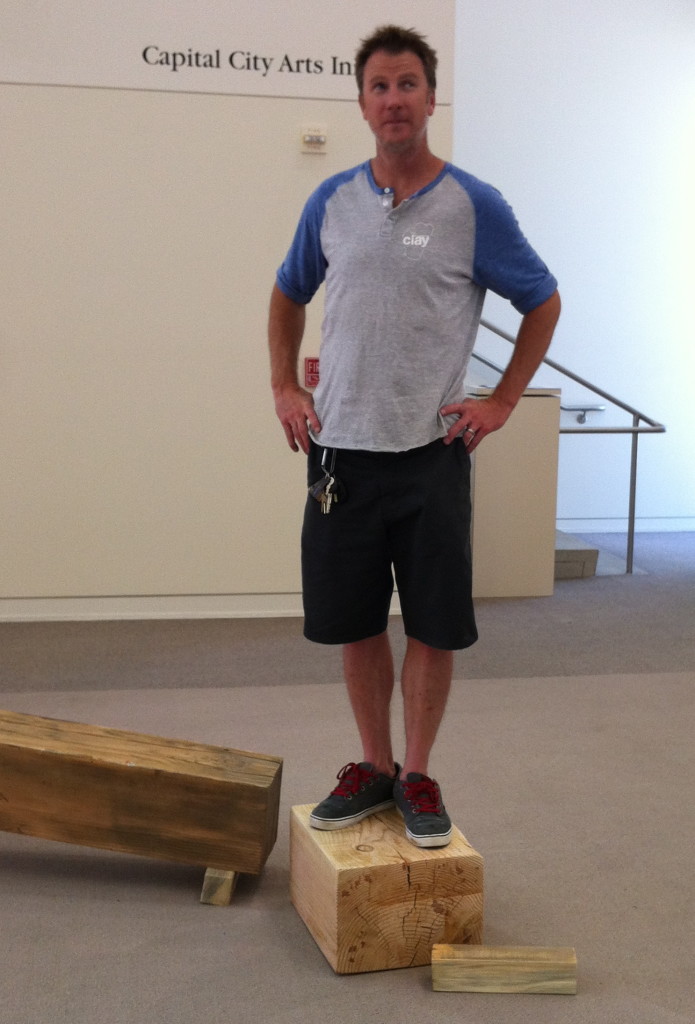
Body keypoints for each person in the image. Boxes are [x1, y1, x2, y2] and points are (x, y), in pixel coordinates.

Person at [268, 25, 560, 848]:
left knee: (432, 623)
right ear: (361, 104)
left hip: (431, 457)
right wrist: (285, 385)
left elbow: (541, 300)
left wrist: (502, 400)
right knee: (356, 621)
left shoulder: (474, 206)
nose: (393, 99)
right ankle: (374, 766)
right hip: (340, 456)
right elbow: (287, 293)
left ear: (430, 98)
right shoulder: (330, 202)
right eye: (378, 86)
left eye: (407, 84)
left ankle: (419, 774)